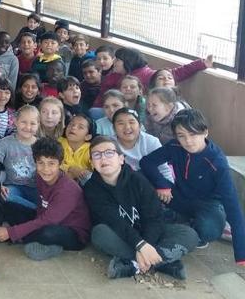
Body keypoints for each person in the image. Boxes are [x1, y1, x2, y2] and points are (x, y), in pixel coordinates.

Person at [84, 136, 198, 279]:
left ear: (121, 158)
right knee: (99, 233)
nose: (103, 158)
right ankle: (162, 262)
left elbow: (154, 217)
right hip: (121, 235)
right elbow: (114, 222)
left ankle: (133, 264)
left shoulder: (138, 180)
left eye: (109, 153)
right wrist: (140, 245)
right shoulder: (91, 188)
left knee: (189, 234)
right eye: (97, 155)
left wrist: (145, 245)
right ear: (92, 163)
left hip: (150, 233)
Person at [141, 109, 245, 264]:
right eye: (182, 135)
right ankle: (180, 220)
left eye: (193, 134)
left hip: (207, 203)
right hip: (178, 196)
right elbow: (146, 162)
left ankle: (189, 223)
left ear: (205, 133)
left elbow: (233, 206)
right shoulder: (175, 146)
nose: (188, 141)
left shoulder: (217, 161)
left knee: (209, 230)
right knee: (139, 177)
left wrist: (241, 254)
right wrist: (162, 185)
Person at [0, 137, 91, 261]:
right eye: (40, 163)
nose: (46, 169)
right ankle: (22, 237)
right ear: (35, 162)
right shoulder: (39, 176)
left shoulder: (67, 189)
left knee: (47, 233)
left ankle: (43, 243)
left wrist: (12, 232)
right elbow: (41, 210)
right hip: (46, 218)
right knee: (8, 205)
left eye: (51, 163)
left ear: (60, 163)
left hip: (72, 233)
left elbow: (48, 221)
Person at [0, 105, 38, 209]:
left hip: (36, 187)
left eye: (32, 123)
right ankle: (37, 210)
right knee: (4, 196)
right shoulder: (4, 143)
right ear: (15, 121)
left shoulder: (41, 145)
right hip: (13, 186)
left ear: (38, 125)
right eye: (23, 122)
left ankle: (35, 211)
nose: (28, 127)